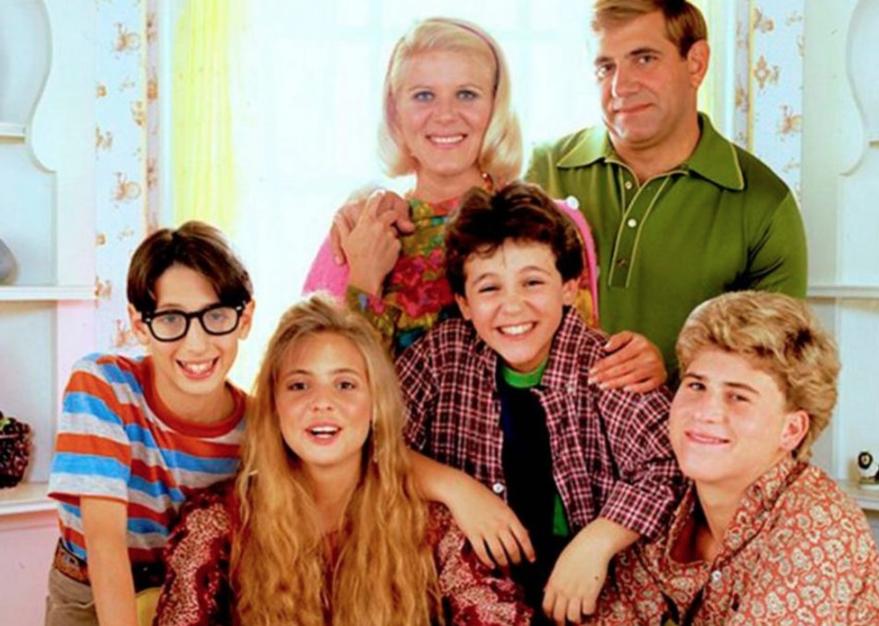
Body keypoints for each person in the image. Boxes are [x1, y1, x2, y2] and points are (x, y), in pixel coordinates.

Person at [306, 16, 666, 393]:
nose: (445, 115)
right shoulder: (360, 231)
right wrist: (364, 281)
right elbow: (316, 391)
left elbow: (584, 377)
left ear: (496, 107)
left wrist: (637, 365)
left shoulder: (549, 225)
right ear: (395, 112)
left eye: (467, 94)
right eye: (423, 95)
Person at [397, 182, 683, 624]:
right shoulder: (442, 356)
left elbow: (669, 464)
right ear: (464, 303)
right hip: (476, 584)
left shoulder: (609, 366)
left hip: (589, 581)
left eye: (532, 282)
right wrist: (457, 489)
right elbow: (373, 443)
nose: (513, 306)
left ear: (568, 288)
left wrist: (597, 542)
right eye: (489, 289)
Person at [154, 296, 532, 626]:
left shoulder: (435, 525)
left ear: (375, 405)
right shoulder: (217, 523)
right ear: (273, 404)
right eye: (299, 385)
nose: (322, 402)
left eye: (345, 384)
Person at [526, 0, 808, 379]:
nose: (621, 87)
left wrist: (676, 375)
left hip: (681, 418)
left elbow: (774, 373)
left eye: (644, 59)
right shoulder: (539, 170)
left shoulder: (764, 204)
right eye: (605, 67)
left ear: (696, 64)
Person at [593, 291, 879, 625]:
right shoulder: (669, 508)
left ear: (792, 430)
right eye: (696, 386)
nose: (705, 412)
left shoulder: (819, 527)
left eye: (738, 397)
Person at [46, 222, 255, 626]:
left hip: (198, 596)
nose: (196, 343)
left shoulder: (259, 427)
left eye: (216, 315)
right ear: (140, 324)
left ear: (244, 319)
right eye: (172, 319)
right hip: (93, 593)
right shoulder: (103, 386)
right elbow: (105, 542)